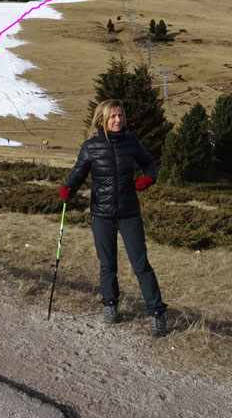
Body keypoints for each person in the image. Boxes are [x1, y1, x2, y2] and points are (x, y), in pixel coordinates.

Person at [59, 99, 167, 336]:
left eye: (120, 115)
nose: (118, 120)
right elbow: (78, 173)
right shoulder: (91, 146)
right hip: (102, 214)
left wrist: (149, 178)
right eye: (113, 116)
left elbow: (150, 164)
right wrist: (68, 190)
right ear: (102, 120)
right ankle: (110, 305)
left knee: (141, 265)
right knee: (107, 264)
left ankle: (157, 313)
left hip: (129, 212)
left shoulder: (131, 142)